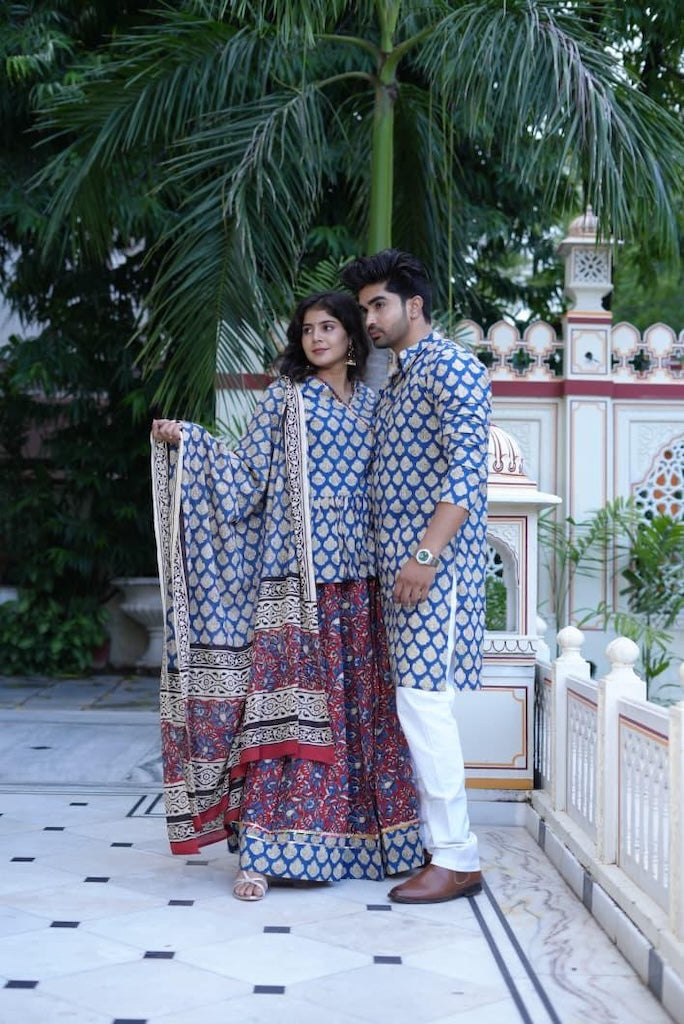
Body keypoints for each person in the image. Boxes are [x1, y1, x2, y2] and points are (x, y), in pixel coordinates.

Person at [150, 290, 423, 902]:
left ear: (353, 337)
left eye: (329, 327)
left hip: (361, 584)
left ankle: (365, 844)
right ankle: (265, 853)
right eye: (307, 330)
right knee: (287, 717)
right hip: (295, 587)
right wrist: (189, 442)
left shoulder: (379, 405)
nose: (317, 338)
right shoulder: (285, 400)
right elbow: (244, 477)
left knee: (359, 714)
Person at [340, 250, 491, 905]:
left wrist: (426, 556)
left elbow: (467, 470)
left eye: (379, 305)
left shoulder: (453, 365)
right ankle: (441, 846)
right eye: (366, 307)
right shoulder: (400, 377)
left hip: (432, 570)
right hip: (399, 574)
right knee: (413, 705)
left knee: (426, 706)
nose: (370, 317)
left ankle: (457, 857)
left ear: (414, 306)